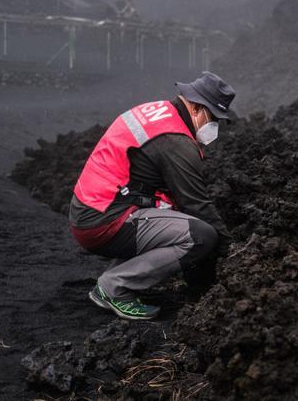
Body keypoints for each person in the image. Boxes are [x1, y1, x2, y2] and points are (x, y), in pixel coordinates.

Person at [69, 71, 236, 320]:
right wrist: (229, 251)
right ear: (198, 109)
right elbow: (196, 204)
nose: (214, 127)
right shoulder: (176, 141)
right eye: (213, 119)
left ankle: (123, 275)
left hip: (91, 209)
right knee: (201, 236)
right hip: (102, 222)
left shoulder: (157, 111)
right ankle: (115, 287)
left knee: (178, 217)